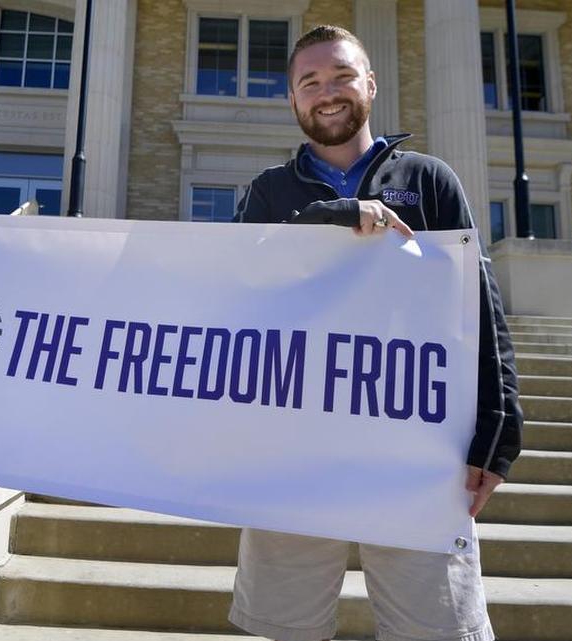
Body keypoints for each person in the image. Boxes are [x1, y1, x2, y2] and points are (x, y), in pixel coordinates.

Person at [230, 26, 522, 641]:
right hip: (293, 447)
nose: (326, 92)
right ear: (292, 101)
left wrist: (499, 427)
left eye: (341, 76)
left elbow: (478, 301)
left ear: (371, 84)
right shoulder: (267, 193)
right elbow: (235, 293)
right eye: (309, 82)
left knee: (439, 627)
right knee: (284, 628)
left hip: (414, 442)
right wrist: (327, 219)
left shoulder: (431, 179)